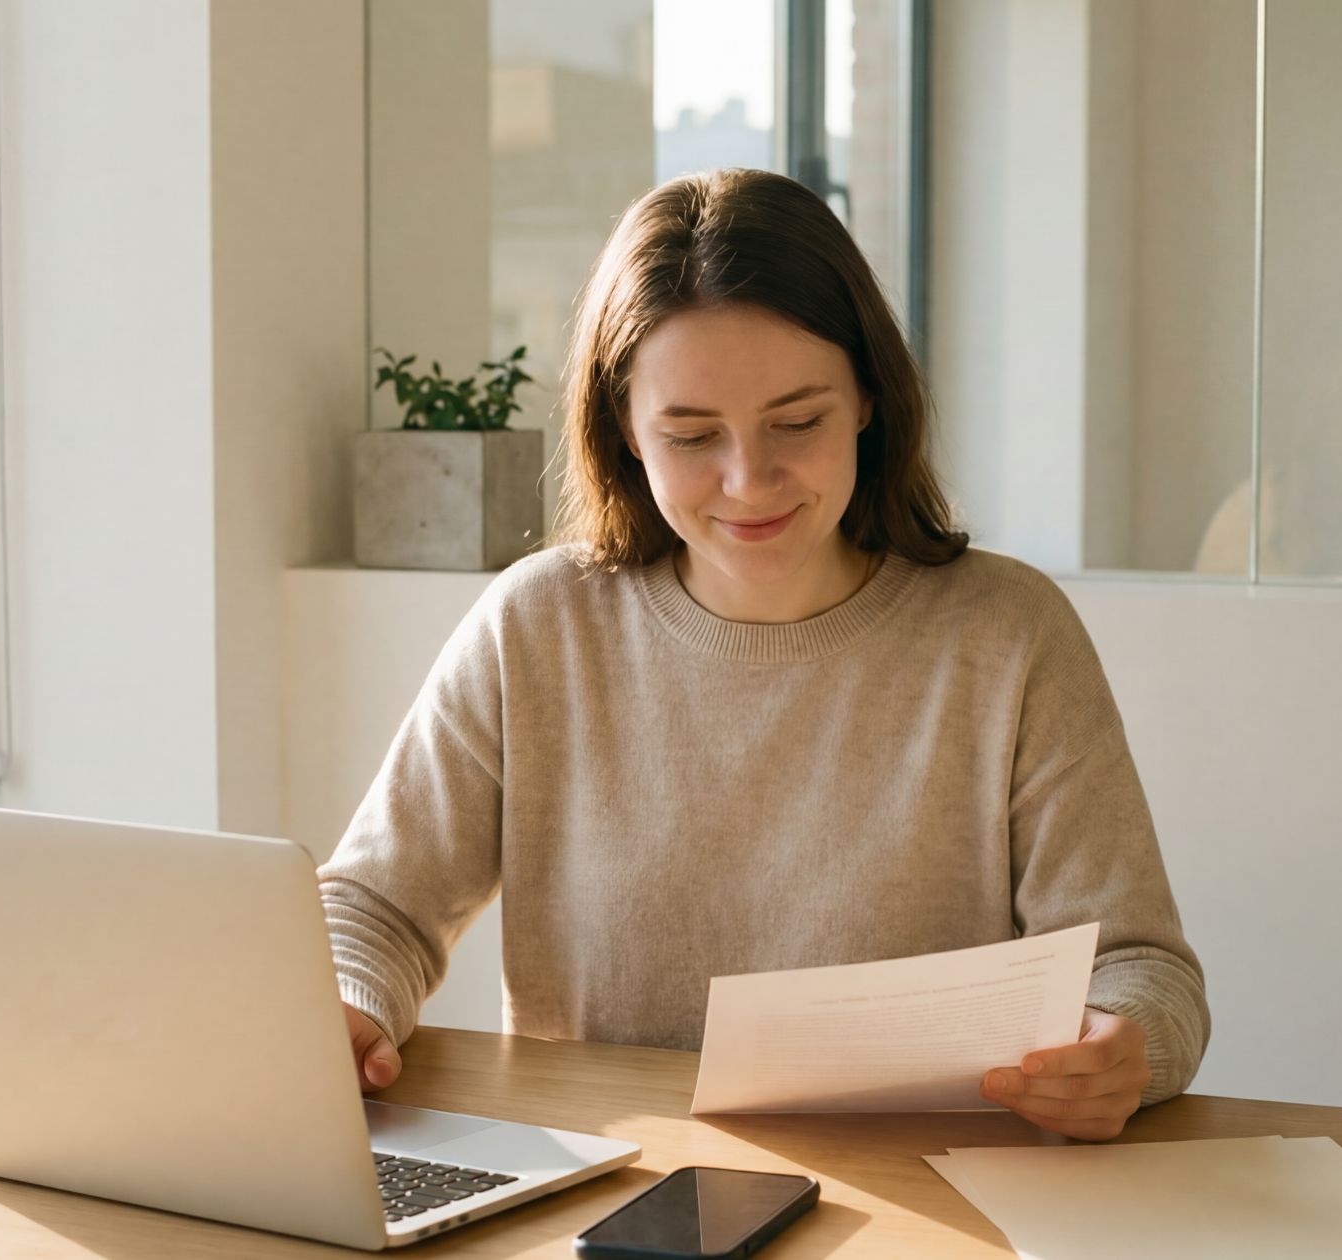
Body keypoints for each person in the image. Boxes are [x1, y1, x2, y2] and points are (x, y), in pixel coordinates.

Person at [320, 168, 1208, 1140]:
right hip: (605, 1188)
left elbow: (1140, 970)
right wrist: (342, 1007)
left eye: (797, 422)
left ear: (868, 396)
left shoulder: (1004, 634)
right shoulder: (536, 628)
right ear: (624, 428)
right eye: (691, 434)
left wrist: (1122, 1048)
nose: (748, 480)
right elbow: (369, 910)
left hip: (924, 1197)